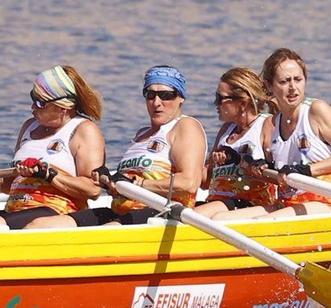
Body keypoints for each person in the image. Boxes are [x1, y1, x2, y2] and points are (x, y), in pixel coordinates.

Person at [28, 65, 205, 229]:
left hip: (162, 211)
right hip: (121, 211)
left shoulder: (186, 126)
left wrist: (138, 184)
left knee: (103, 232)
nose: (156, 102)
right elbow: (126, 183)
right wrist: (108, 181)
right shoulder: (141, 135)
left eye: (166, 95)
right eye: (150, 95)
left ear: (181, 98)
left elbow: (188, 183)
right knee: (43, 225)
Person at [0, 65, 106, 232]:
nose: (32, 107)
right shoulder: (29, 127)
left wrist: (48, 174)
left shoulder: (84, 130)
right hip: (16, 209)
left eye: (40, 103)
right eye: (33, 98)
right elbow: (12, 186)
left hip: (56, 211)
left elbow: (92, 190)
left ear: (63, 107)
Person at [225, 47, 331, 219]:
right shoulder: (274, 122)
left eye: (298, 79)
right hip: (288, 203)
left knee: (261, 223)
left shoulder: (317, 110)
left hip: (325, 203)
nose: (293, 87)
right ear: (269, 85)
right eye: (285, 81)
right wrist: (260, 167)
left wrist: (306, 170)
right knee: (223, 219)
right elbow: (282, 177)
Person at [192, 66, 277, 217]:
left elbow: (278, 176)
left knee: (192, 216)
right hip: (218, 203)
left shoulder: (266, 125)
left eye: (220, 98)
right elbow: (205, 183)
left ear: (243, 103)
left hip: (252, 203)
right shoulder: (226, 130)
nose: (215, 104)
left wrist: (241, 161)